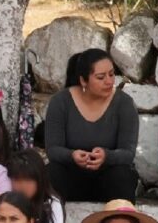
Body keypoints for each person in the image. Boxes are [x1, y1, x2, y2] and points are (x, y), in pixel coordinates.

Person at [44, 49, 139, 203]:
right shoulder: (61, 101)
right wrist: (72, 155)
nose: (109, 81)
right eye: (101, 77)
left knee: (123, 174)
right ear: (83, 81)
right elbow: (53, 149)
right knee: (52, 172)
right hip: (71, 177)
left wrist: (106, 156)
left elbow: (128, 153)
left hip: (109, 177)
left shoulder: (124, 103)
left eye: (111, 74)